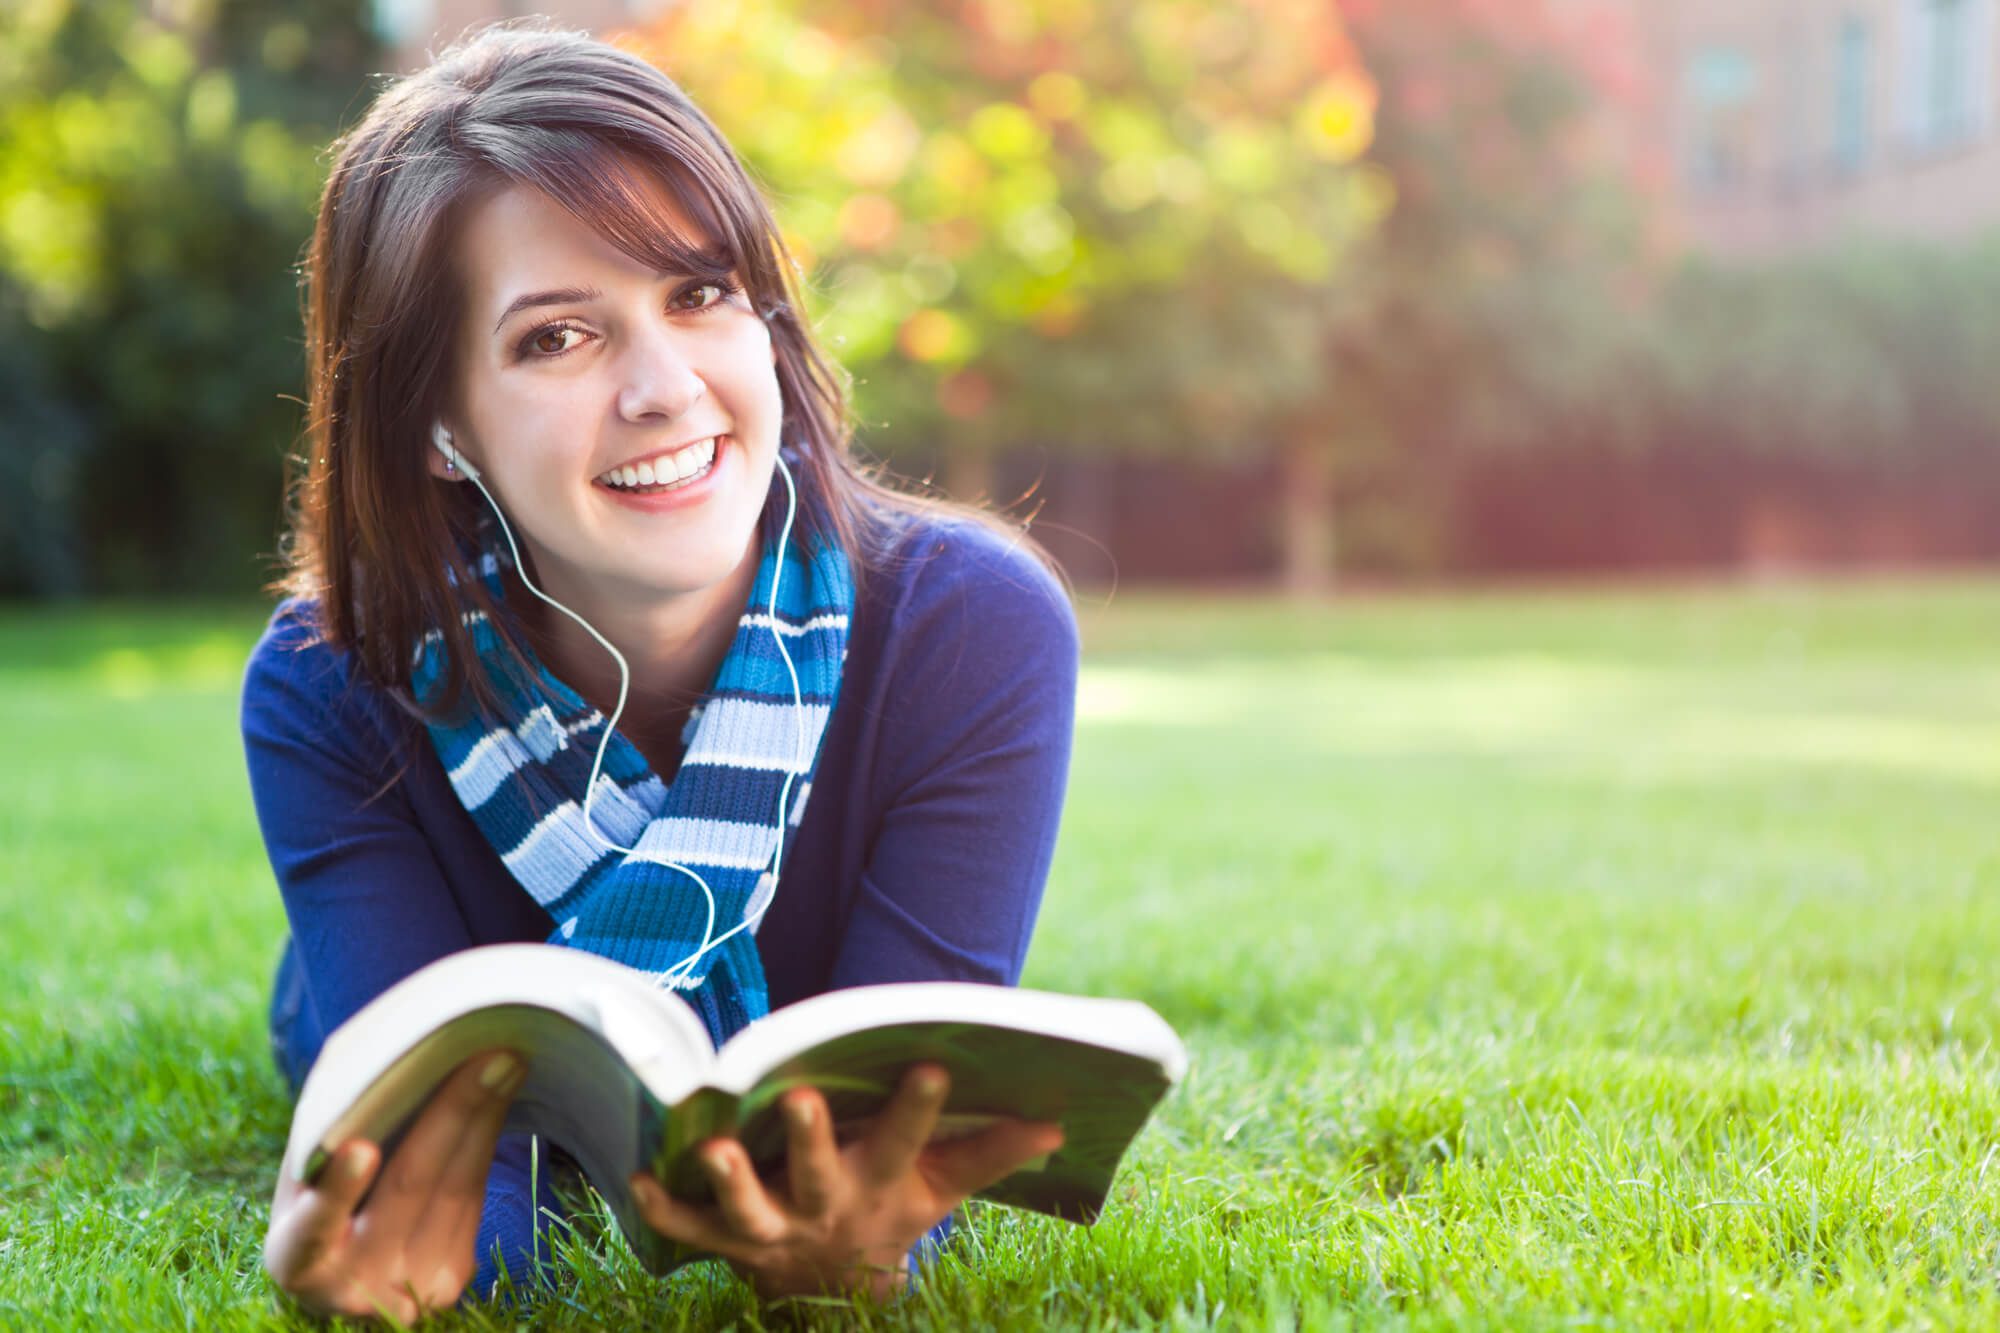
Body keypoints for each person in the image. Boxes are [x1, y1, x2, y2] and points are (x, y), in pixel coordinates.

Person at [239, 19, 1077, 1322]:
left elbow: (889, 1156)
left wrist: (851, 1255)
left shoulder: (971, 627)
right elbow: (464, 1218)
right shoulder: (328, 684)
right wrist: (397, 1264)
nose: (666, 386)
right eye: (557, 338)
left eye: (699, 294)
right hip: (366, 973)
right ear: (437, 431)